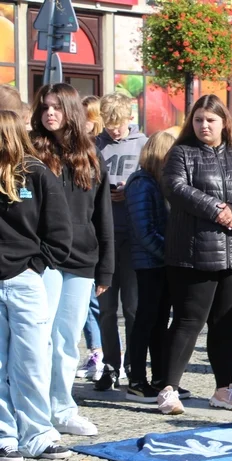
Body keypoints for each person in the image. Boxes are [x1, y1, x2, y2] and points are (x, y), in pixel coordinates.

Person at [157, 94, 232, 415]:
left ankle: (223, 388)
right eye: (198, 119)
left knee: (224, 323)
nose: (204, 125)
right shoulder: (181, 153)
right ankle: (168, 388)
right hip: (194, 252)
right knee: (188, 321)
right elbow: (175, 187)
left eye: (211, 120)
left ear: (224, 122)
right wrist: (216, 209)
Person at [30, 83, 115, 437]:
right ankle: (34, 409)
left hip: (81, 260)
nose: (50, 113)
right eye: (46, 107)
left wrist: (106, 266)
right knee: (39, 337)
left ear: (71, 112)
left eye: (57, 107)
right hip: (42, 258)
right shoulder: (31, 152)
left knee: (66, 339)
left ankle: (62, 408)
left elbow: (103, 215)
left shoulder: (90, 156)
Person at [0, 110, 73, 461]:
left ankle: (38, 435)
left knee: (31, 362)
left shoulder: (38, 174)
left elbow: (59, 232)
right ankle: (4, 437)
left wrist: (35, 265)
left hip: (25, 281)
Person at [124, 131, 187, 403]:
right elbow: (144, 230)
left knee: (160, 323)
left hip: (160, 262)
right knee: (145, 323)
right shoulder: (142, 183)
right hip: (150, 263)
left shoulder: (156, 183)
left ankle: (161, 379)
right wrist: (169, 254)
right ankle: (137, 381)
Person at [93, 93, 148, 390]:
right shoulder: (95, 145)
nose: (114, 130)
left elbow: (155, 182)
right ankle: (110, 366)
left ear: (130, 118)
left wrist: (132, 189)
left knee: (133, 308)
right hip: (104, 235)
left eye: (118, 123)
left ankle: (133, 365)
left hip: (134, 234)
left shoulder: (142, 144)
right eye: (109, 124)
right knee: (106, 309)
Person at [76, 95, 105, 381]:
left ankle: (98, 352)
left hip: (92, 241)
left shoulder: (96, 152)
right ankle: (96, 351)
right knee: (86, 304)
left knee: (92, 302)